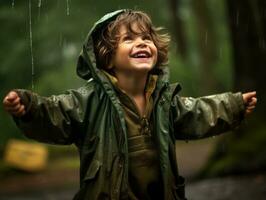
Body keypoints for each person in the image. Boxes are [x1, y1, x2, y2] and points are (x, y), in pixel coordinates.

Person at [3, 9, 257, 200]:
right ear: (107, 57)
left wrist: (232, 105)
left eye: (147, 37)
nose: (142, 43)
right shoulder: (88, 101)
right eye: (129, 39)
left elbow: (197, 113)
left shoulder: (163, 100)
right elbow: (55, 112)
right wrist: (29, 108)